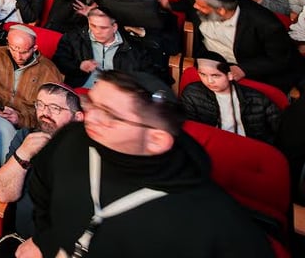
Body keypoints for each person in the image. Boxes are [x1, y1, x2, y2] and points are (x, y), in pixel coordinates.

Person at [19, 71, 274, 258]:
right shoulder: (72, 138)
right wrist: (47, 241)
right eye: (91, 103)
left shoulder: (215, 224)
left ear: (155, 139)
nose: (90, 117)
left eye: (108, 114)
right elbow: (42, 192)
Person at [0, 83, 84, 256]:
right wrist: (23, 153)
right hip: (21, 239)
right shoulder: (25, 137)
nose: (45, 113)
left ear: (78, 117)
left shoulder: (88, 151)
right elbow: (4, 194)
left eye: (55, 108)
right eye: (40, 105)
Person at [0, 26, 64, 168]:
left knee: (2, 135)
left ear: (34, 48)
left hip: (27, 126)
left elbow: (51, 113)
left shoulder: (49, 71)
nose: (18, 56)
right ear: (8, 43)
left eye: (24, 51)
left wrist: (20, 119)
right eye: (13, 48)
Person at [187, 0, 299, 91]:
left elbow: (279, 60)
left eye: (200, 6)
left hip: (249, 70)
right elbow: (186, 4)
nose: (194, 6)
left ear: (221, 11)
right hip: (209, 64)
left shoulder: (267, 25)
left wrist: (243, 69)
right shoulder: (204, 1)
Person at [180, 51, 281, 142]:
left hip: (249, 148)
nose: (209, 81)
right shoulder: (192, 93)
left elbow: (280, 129)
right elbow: (189, 129)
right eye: (203, 74)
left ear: (230, 75)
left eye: (215, 75)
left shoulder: (257, 98)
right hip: (213, 146)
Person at [53, 7, 165, 88]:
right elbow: (58, 61)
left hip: (116, 97)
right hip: (80, 90)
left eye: (103, 28)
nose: (97, 31)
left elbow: (148, 77)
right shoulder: (74, 38)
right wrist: (79, 66)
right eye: (93, 26)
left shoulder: (133, 47)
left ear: (114, 27)